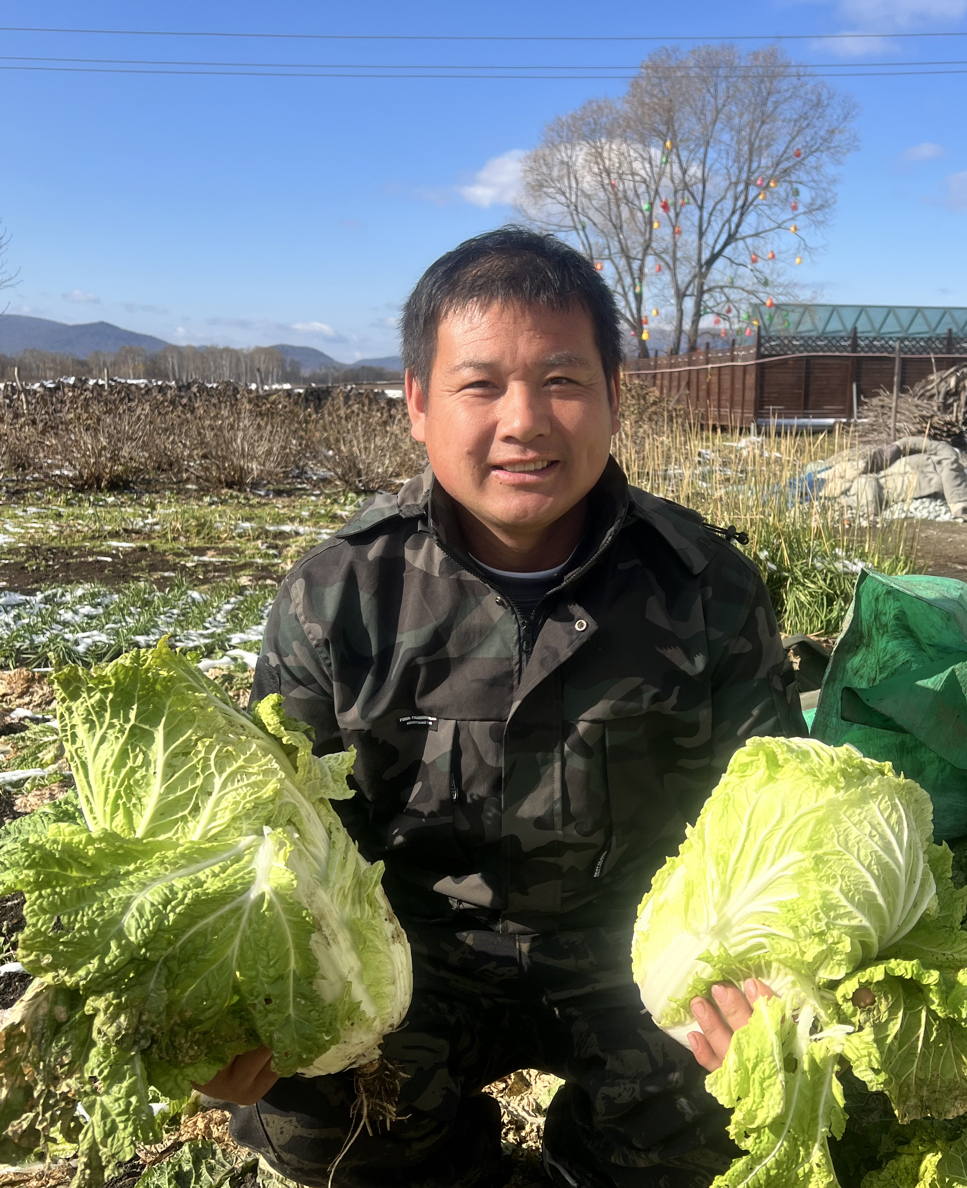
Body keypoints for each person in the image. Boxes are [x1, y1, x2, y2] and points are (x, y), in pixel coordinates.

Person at [198, 228, 805, 1187]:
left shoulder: (706, 587)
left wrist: (772, 985)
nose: (523, 420)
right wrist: (236, 1000)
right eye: (480, 385)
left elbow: (778, 816)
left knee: (748, 1099)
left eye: (562, 380)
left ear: (614, 393)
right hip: (410, 959)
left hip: (643, 953)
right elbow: (275, 841)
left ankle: (586, 1166)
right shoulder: (337, 596)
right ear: (416, 402)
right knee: (311, 1112)